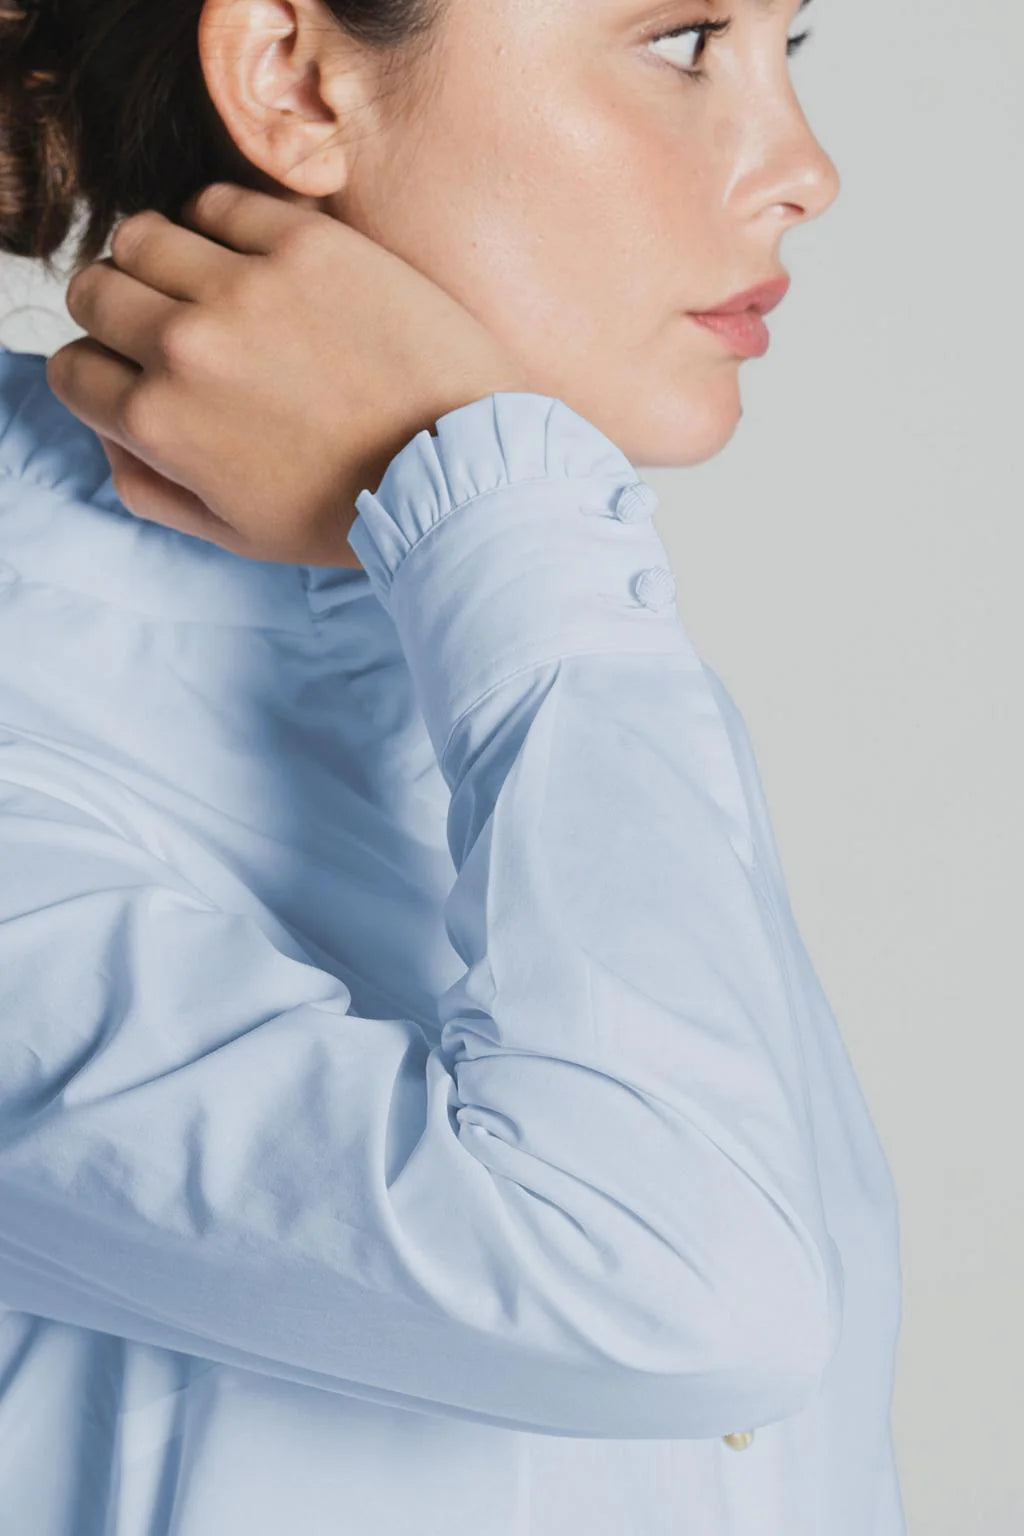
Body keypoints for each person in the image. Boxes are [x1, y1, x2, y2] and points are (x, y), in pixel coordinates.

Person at [0, 0, 906, 1532]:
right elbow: (681, 1297)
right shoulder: (530, 599)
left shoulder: (510, 630)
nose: (806, 169)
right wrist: (489, 500)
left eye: (788, 49)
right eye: (683, 41)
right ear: (293, 79)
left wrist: (485, 533)